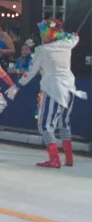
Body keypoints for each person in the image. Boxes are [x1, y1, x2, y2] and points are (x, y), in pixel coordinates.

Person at [6, 19, 87, 168]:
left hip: (52, 89)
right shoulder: (68, 43)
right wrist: (64, 33)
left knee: (44, 125)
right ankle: (69, 158)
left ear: (49, 34)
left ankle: (54, 158)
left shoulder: (42, 50)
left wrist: (16, 85)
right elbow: (75, 36)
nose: (42, 35)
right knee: (64, 123)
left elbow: (30, 72)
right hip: (69, 88)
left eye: (44, 32)